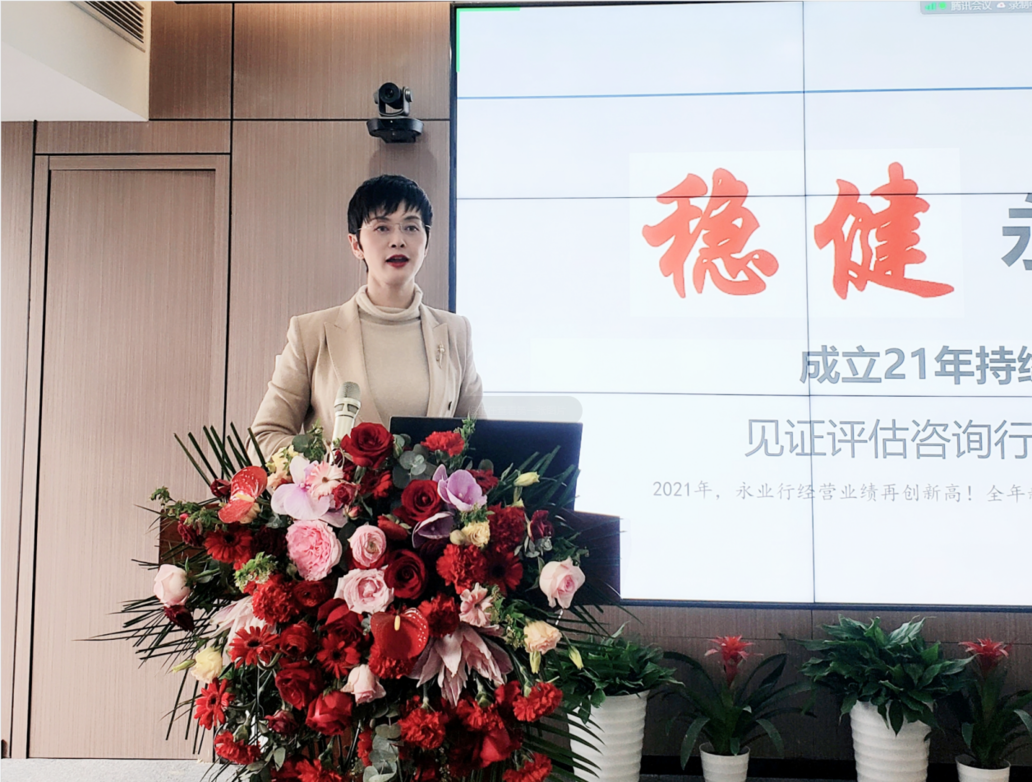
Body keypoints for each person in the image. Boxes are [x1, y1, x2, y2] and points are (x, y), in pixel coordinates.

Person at [251, 175, 485, 458]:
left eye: (411, 227)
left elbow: (481, 442)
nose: (398, 240)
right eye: (382, 228)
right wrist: (333, 464)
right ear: (356, 244)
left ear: (427, 243)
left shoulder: (456, 332)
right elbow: (264, 438)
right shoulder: (311, 332)